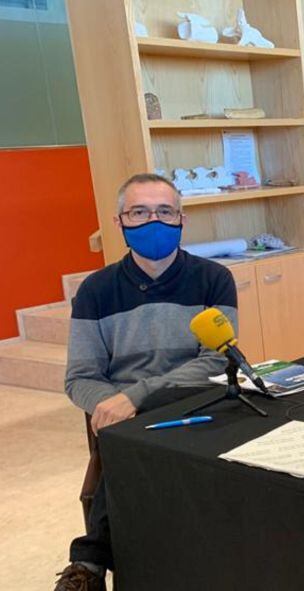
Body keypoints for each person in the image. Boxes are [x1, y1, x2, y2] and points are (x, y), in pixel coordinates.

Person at [54, 173, 237, 591]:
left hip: (192, 399)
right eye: (139, 212)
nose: (153, 221)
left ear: (181, 219)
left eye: (164, 211)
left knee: (144, 422)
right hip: (124, 417)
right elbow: (80, 377)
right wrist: (112, 405)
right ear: (119, 222)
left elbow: (215, 360)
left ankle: (88, 562)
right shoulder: (95, 291)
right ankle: (93, 566)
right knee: (129, 438)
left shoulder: (214, 279)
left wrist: (133, 397)